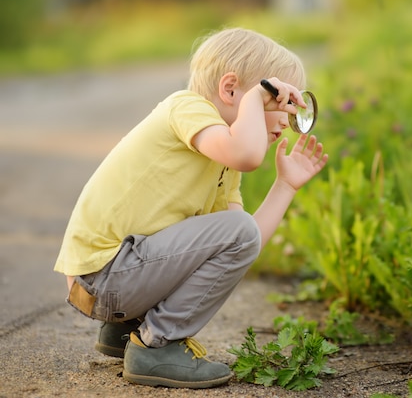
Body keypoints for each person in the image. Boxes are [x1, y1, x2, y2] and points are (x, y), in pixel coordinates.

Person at [54, 27, 328, 389]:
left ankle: (125, 331)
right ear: (231, 90)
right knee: (236, 229)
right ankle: (155, 344)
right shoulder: (186, 107)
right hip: (103, 278)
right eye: (279, 102)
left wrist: (285, 186)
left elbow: (244, 243)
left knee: (236, 231)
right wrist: (253, 102)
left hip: (113, 282)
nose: (287, 120)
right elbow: (247, 156)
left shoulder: (222, 162)